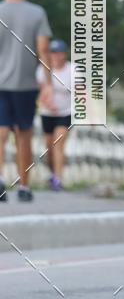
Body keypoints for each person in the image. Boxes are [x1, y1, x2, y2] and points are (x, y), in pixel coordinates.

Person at [0, 0, 53, 203]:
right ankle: (23, 186)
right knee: (24, 134)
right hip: (25, 84)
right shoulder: (36, 13)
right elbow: (43, 49)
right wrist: (49, 82)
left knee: (0, 132)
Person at [35, 40, 72, 191]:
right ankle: (52, 174)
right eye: (53, 53)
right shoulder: (42, 70)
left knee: (58, 145)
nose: (56, 56)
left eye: (59, 53)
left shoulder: (73, 70)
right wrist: (48, 104)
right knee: (48, 149)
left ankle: (58, 179)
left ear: (64, 54)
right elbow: (39, 92)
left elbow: (81, 92)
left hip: (66, 113)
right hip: (48, 113)